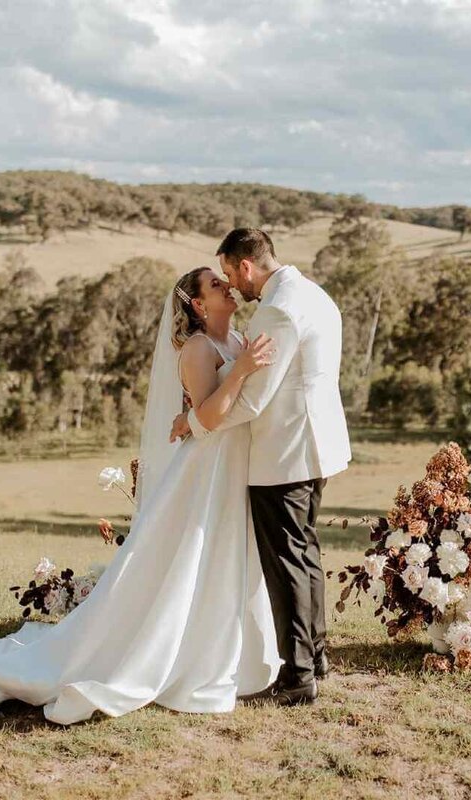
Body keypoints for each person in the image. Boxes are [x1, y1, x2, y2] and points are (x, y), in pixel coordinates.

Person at [0, 266, 281, 725]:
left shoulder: (240, 339)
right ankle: (165, 659)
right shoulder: (199, 349)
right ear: (199, 305)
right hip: (206, 470)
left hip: (237, 466)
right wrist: (239, 372)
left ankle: (222, 654)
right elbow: (207, 416)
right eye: (215, 285)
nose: (227, 287)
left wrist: (242, 367)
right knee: (190, 560)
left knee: (224, 558)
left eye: (225, 281)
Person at [171, 228, 351, 706]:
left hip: (286, 450)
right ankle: (316, 654)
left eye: (231, 273)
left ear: (245, 266)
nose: (233, 284)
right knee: (305, 553)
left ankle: (298, 677)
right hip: (316, 445)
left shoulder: (278, 309)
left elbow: (253, 400)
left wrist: (195, 422)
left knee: (286, 562)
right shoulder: (314, 294)